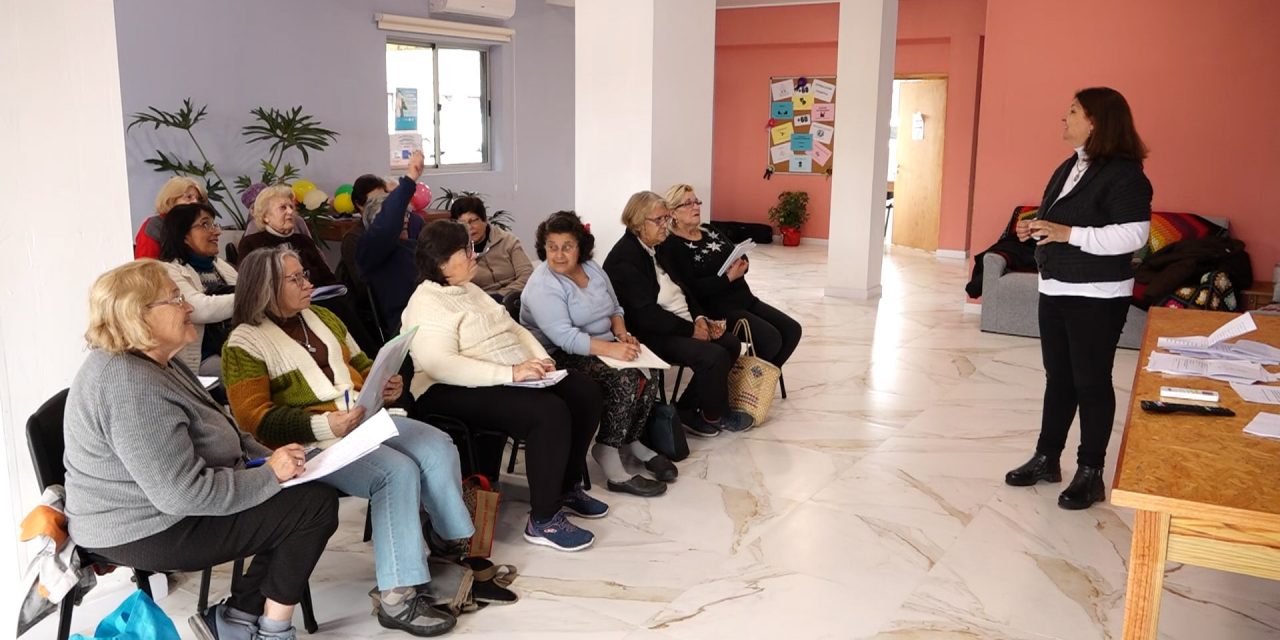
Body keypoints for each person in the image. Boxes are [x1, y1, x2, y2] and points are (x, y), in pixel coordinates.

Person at [63, 259, 338, 640]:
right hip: (143, 528)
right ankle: (262, 628)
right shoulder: (129, 385)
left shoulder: (155, 361)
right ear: (138, 316)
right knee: (312, 506)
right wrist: (269, 473)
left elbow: (223, 427)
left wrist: (272, 459)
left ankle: (236, 618)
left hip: (165, 508)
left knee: (306, 496)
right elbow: (182, 493)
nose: (189, 306)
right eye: (175, 299)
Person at [221, 247, 474, 636]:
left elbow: (360, 364)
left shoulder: (322, 317)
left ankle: (448, 542)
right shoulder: (244, 344)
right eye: (296, 279)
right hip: (305, 446)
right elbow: (254, 419)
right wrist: (325, 426)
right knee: (395, 472)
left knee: (438, 445)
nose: (309, 283)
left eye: (305, 274)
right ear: (267, 288)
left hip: (360, 420)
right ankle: (397, 597)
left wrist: (386, 381)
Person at [404, 220, 606, 552]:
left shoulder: (469, 289)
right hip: (448, 388)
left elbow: (513, 329)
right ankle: (543, 520)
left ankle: (564, 486)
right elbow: (441, 365)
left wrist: (542, 360)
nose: (474, 254)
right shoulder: (427, 302)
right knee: (548, 412)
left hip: (501, 374)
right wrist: (512, 373)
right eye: (466, 250)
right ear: (441, 261)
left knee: (583, 391)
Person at [1004, 87, 1153, 510]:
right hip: (1055, 287)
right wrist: (1034, 227)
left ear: (1097, 121)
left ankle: (1091, 472)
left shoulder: (1125, 174)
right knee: (1060, 379)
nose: (1063, 118)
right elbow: (1062, 218)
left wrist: (1069, 234)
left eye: (1072, 112)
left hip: (1097, 294)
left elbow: (1134, 235)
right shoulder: (1070, 166)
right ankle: (1048, 458)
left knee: (1091, 382)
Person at [520, 211, 676, 497]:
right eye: (551, 246)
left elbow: (615, 308)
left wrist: (622, 334)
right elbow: (565, 338)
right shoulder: (543, 284)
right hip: (557, 355)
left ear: (581, 246)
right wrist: (613, 350)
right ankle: (609, 454)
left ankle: (631, 441)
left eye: (567, 246)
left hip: (602, 345)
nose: (558, 254)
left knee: (651, 373)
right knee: (626, 379)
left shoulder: (592, 268)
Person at [603, 191, 753, 437]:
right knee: (714, 355)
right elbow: (645, 315)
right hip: (650, 333)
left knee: (731, 343)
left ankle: (686, 409)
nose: (666, 225)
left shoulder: (657, 246)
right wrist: (691, 330)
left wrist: (700, 319)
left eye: (666, 218)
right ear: (639, 223)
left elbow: (685, 288)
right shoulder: (625, 258)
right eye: (659, 220)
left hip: (678, 321)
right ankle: (717, 414)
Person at [661, 184, 802, 368]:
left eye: (696, 201)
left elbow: (735, 252)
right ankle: (745, 384)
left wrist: (743, 263)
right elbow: (691, 289)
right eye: (688, 203)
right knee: (771, 340)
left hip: (745, 299)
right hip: (720, 310)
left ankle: (757, 385)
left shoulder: (709, 230)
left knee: (792, 330)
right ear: (673, 213)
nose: (696, 207)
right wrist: (727, 278)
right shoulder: (672, 246)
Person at [238, 185, 380, 355]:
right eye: (283, 207)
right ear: (265, 216)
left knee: (346, 301)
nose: (290, 212)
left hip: (319, 298)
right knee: (337, 308)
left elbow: (328, 277)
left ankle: (367, 358)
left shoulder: (303, 240)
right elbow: (254, 287)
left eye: (291, 207)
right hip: (283, 308)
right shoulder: (252, 243)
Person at [159, 202, 237, 376]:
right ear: (183, 234)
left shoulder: (220, 265)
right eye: (205, 225)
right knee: (250, 374)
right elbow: (198, 309)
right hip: (203, 357)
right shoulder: (168, 270)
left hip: (234, 346)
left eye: (214, 224)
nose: (217, 231)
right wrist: (253, 297)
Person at [357, 151, 428, 332]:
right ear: (375, 223)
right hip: (409, 325)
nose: (405, 220)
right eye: (399, 216)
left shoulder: (415, 246)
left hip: (439, 310)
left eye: (406, 215)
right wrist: (410, 178)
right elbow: (387, 224)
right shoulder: (370, 250)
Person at [449, 196, 533, 305]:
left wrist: (503, 295)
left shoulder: (508, 240)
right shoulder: (457, 253)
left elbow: (527, 274)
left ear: (484, 220)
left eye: (473, 221)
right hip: (482, 304)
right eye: (463, 224)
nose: (469, 227)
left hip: (517, 297)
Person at [134, 176, 207, 259]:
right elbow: (146, 267)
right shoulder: (155, 225)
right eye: (188, 197)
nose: (195, 202)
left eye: (199, 199)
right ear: (170, 200)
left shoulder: (200, 226)